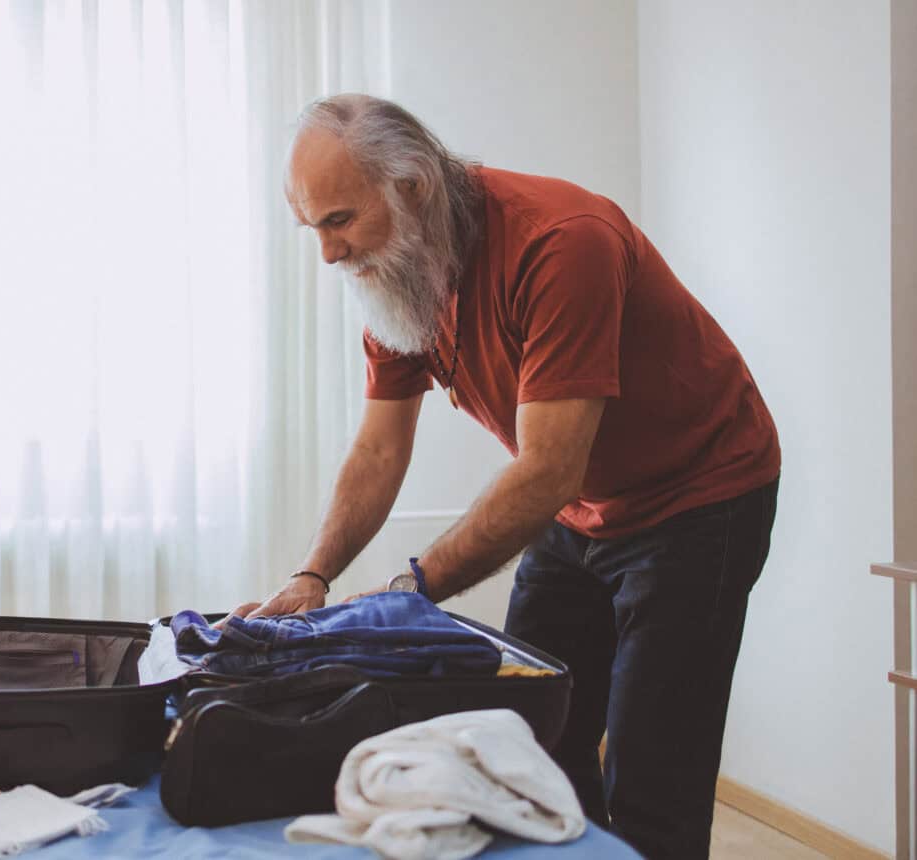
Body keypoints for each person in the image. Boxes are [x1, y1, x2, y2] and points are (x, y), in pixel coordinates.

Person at [226, 94, 780, 860]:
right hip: (580, 505)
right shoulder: (398, 271)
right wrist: (315, 574)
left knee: (653, 775)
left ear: (413, 188)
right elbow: (381, 450)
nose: (327, 252)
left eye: (339, 221)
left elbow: (549, 468)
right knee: (525, 736)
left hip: (696, 500)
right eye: (311, 227)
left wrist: (407, 598)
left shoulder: (562, 241)